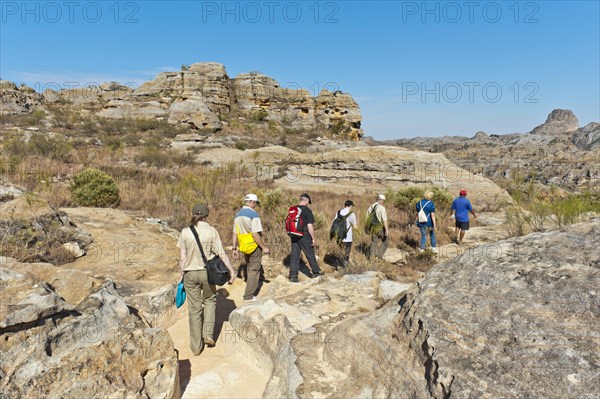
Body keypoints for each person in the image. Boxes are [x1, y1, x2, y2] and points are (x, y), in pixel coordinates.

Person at [177, 203, 235, 356]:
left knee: (194, 309)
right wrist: (231, 270)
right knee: (209, 301)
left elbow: (182, 258)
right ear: (206, 215)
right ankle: (208, 334)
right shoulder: (211, 231)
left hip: (190, 273)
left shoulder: (185, 232)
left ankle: (196, 347)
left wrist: (180, 274)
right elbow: (221, 253)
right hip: (207, 273)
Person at [232, 193, 270, 302]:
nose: (255, 205)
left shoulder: (238, 215)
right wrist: (263, 247)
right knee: (254, 269)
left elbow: (235, 233)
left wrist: (235, 248)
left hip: (244, 245)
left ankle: (251, 287)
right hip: (254, 245)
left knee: (249, 267)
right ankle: (249, 296)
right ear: (253, 202)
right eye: (255, 203)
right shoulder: (254, 214)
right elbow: (255, 234)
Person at [289, 193, 323, 282]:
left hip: (294, 234)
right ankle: (316, 272)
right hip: (304, 235)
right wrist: (313, 238)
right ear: (306, 200)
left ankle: (293, 276)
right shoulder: (307, 211)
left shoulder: (293, 209)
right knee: (309, 253)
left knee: (295, 255)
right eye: (308, 202)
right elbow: (309, 226)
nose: (308, 203)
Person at [333, 199, 358, 266]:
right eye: (352, 206)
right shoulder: (351, 214)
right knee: (346, 252)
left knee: (341, 251)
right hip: (348, 237)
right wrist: (359, 232)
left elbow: (334, 222)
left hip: (339, 236)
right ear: (350, 206)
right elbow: (354, 225)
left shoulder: (338, 212)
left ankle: (340, 264)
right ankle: (345, 265)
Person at [366, 194, 389, 259]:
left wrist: (368, 228)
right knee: (385, 241)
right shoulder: (382, 208)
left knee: (373, 242)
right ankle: (379, 256)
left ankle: (372, 258)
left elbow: (367, 217)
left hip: (373, 228)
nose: (383, 202)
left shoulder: (371, 207)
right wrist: (386, 229)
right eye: (384, 201)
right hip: (380, 228)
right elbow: (384, 219)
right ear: (381, 200)